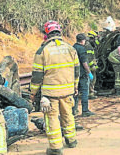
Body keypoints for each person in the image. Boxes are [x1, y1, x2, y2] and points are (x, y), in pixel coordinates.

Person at [29, 21, 79, 155]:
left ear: (46, 34)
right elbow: (76, 70)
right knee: (68, 115)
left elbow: (37, 76)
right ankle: (71, 140)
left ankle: (56, 148)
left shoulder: (42, 51)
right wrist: (75, 86)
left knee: (52, 119)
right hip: (68, 90)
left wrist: (33, 92)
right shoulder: (70, 48)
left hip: (50, 93)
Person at [73, 33, 96, 117]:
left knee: (75, 92)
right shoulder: (82, 49)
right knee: (84, 92)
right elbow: (84, 62)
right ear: (83, 40)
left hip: (74, 74)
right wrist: (89, 72)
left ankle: (74, 110)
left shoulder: (73, 47)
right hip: (82, 74)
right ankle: (85, 110)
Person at [86, 31, 99, 99]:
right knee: (91, 79)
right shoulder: (88, 46)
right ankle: (90, 93)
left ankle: (91, 91)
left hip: (89, 66)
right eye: (95, 38)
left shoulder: (90, 44)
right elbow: (89, 58)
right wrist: (92, 66)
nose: (96, 40)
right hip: (89, 67)